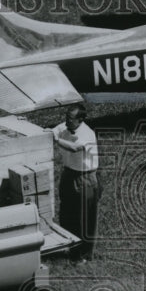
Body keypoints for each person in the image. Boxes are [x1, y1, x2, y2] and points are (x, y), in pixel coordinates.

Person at [53, 104, 101, 263]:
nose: (66, 121)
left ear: (80, 120)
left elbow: (74, 148)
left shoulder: (87, 134)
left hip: (84, 177)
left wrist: (56, 139)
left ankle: (84, 255)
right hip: (69, 174)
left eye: (70, 119)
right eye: (66, 117)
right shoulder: (65, 125)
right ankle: (69, 245)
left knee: (85, 217)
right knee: (67, 212)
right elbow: (53, 130)